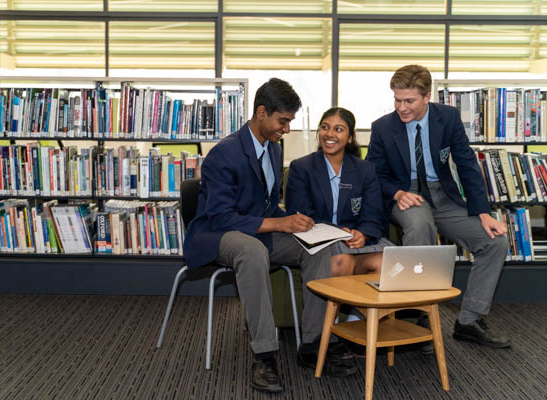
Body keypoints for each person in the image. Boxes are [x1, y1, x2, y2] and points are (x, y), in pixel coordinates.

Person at [183, 78, 355, 394]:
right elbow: (222, 217)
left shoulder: (274, 149)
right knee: (251, 251)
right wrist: (279, 225)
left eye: (289, 121)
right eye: (283, 121)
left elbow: (265, 203)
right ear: (261, 112)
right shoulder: (225, 153)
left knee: (324, 248)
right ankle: (264, 354)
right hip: (219, 234)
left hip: (259, 233)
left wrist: (300, 223)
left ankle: (312, 343)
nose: (287, 129)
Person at [366, 64, 511, 348]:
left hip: (443, 196)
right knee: (421, 226)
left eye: (409, 101)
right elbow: (373, 175)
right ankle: (418, 316)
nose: (401, 107)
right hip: (405, 193)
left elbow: (467, 164)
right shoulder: (382, 127)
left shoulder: (448, 118)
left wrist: (483, 212)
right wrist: (396, 193)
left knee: (495, 241)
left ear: (427, 97)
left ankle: (469, 321)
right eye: (397, 99)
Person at [285, 107, 391, 277]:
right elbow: (301, 215)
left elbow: (373, 215)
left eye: (338, 129)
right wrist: (340, 233)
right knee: (342, 261)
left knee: (384, 263)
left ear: (350, 137)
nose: (329, 134)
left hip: (357, 242)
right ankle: (338, 303)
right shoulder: (301, 168)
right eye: (325, 127)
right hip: (321, 241)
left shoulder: (365, 170)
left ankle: (362, 304)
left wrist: (363, 234)